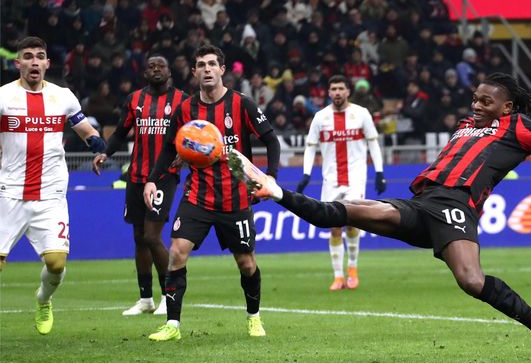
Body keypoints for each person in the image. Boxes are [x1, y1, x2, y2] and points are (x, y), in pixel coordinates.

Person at [230, 72, 531, 363]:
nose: (476, 106)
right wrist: (274, 187)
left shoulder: (520, 128)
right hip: (421, 204)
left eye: (486, 102)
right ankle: (275, 191)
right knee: (342, 210)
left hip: (457, 207)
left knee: (471, 282)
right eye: (475, 99)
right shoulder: (465, 126)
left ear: (506, 107)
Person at [142, 45, 281, 341]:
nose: (206, 69)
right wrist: (153, 180)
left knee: (246, 263)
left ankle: (254, 317)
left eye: (211, 64)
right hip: (198, 196)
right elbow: (169, 147)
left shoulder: (242, 104)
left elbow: (271, 140)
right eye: (201, 65)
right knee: (177, 252)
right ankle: (172, 325)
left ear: (222, 70)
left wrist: (270, 177)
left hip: (236, 197)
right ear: (193, 72)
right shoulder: (186, 110)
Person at [0, 36, 106, 334]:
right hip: (9, 192)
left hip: (50, 194)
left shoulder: (63, 97)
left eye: (40, 56)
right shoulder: (4, 97)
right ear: (17, 62)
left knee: (57, 263)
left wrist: (99, 147)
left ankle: (43, 299)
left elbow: (84, 129)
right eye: (28, 56)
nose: (34, 61)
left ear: (48, 63)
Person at [92, 55, 188, 317]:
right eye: (151, 67)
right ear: (145, 73)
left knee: (151, 236)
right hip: (135, 175)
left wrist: (186, 153)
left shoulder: (182, 100)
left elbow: (194, 132)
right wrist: (105, 153)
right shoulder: (135, 100)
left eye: (161, 66)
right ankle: (145, 298)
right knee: (138, 237)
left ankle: (169, 297)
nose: (156, 69)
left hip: (164, 176)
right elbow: (122, 132)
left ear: (170, 72)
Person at [296, 75, 386, 290]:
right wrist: (306, 174)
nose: (337, 92)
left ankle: (352, 269)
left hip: (355, 178)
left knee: (353, 222)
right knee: (334, 227)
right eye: (333, 88)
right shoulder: (320, 117)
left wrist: (380, 172)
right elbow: (310, 146)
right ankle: (338, 276)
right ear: (328, 92)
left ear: (348, 91)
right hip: (331, 180)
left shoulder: (361, 114)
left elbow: (373, 143)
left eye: (340, 88)